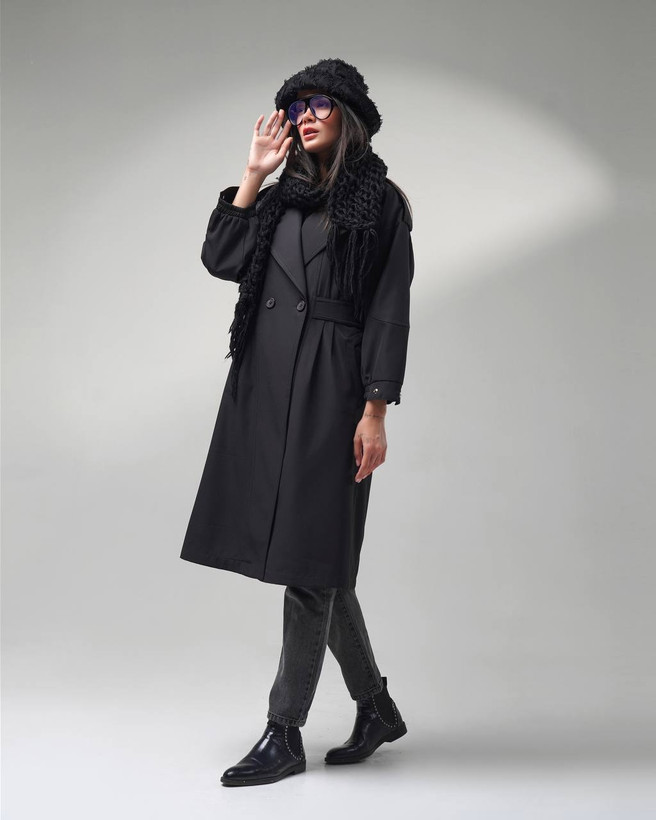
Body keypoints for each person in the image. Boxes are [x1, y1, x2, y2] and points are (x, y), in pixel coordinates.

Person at [180, 58, 415, 787]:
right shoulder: (278, 199)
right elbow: (221, 259)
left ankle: (283, 731)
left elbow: (389, 310)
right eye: (294, 106)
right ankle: (376, 706)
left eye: (319, 104)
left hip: (333, 390)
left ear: (350, 116)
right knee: (320, 560)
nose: (304, 116)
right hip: (265, 384)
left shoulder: (381, 202)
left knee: (312, 562)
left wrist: (375, 410)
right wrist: (252, 175)